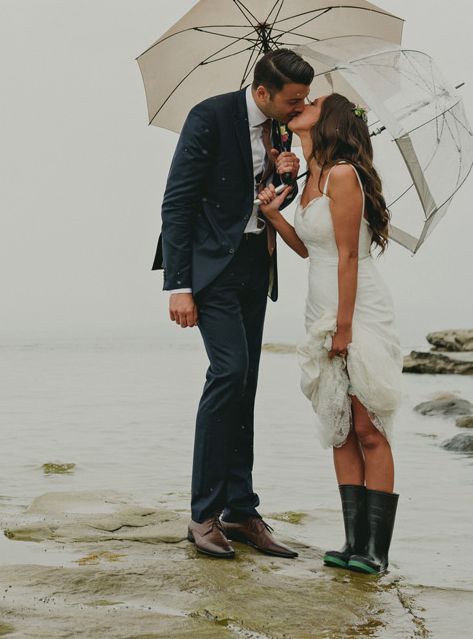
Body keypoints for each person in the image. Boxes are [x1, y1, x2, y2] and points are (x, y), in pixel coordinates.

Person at [155, 49, 312, 559]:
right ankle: (203, 515)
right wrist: (178, 285)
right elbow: (177, 201)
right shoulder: (209, 116)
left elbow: (268, 198)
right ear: (262, 92)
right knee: (229, 372)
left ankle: (241, 511)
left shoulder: (282, 130)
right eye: (293, 99)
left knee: (247, 381)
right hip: (209, 268)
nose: (300, 107)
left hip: (254, 262)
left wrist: (286, 175)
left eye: (304, 99)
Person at [258, 92, 404, 575]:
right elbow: (310, 250)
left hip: (357, 310)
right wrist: (276, 213)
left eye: (313, 100)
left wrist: (343, 327)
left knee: (367, 428)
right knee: (339, 427)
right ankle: (351, 542)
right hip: (320, 307)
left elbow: (347, 256)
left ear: (333, 118)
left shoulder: (344, 174)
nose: (303, 101)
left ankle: (375, 552)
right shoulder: (310, 175)